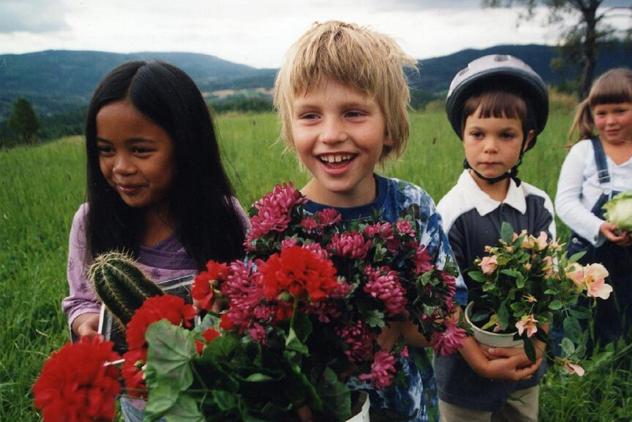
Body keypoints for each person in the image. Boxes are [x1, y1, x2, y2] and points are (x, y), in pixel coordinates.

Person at [273, 20, 465, 422]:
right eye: (310, 116)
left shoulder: (412, 208)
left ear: (389, 126)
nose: (331, 134)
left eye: (354, 113)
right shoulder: (279, 224)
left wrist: (393, 325)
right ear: (290, 129)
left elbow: (448, 318)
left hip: (402, 408)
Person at [61, 60, 249, 421]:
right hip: (142, 403)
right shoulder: (90, 222)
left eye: (141, 150)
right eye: (105, 150)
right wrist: (84, 325)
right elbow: (80, 299)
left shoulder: (223, 216)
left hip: (218, 398)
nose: (121, 167)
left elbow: (250, 291)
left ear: (186, 147)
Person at [434, 54, 553, 422]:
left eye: (506, 135)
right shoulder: (451, 212)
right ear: (462, 135)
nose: (490, 147)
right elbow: (443, 299)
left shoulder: (538, 205)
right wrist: (479, 362)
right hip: (465, 369)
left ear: (527, 139)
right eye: (478, 133)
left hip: (524, 362)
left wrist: (539, 342)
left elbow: (551, 282)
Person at [555, 68, 632, 346]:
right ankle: (569, 361)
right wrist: (598, 226)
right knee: (575, 312)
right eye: (602, 113)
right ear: (592, 114)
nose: (610, 121)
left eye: (619, 111)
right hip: (587, 247)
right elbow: (565, 201)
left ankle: (610, 362)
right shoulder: (584, 151)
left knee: (621, 311)